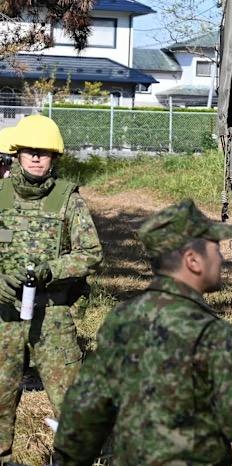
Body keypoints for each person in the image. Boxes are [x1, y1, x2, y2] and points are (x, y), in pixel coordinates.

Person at [53, 199, 232, 465]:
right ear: (192, 260)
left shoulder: (121, 321)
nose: (222, 257)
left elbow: (85, 413)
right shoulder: (215, 336)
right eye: (214, 249)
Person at [0, 115, 102, 461]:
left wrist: (50, 270)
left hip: (53, 315)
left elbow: (90, 254)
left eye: (44, 153)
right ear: (17, 154)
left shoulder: (68, 199)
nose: (36, 158)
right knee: (1, 394)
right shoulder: (0, 195)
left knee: (69, 396)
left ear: (54, 158)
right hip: (4, 315)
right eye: (30, 151)